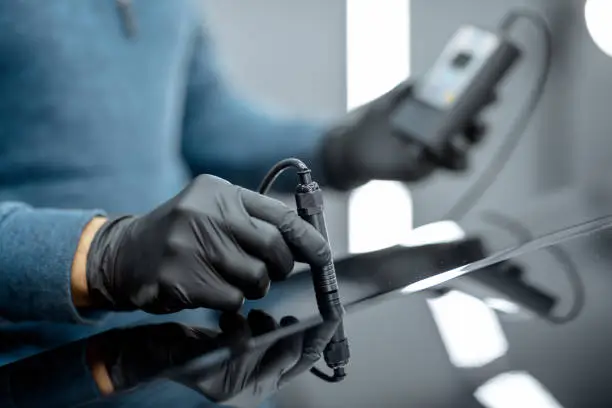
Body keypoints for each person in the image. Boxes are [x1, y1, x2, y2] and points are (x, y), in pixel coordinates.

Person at [0, 1, 481, 404]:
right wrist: (98, 255)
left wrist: (337, 149)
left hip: (182, 359)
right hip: (41, 375)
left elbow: (205, 126)